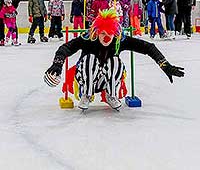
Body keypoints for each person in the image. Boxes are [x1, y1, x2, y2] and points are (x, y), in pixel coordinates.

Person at [44, 9, 184, 111]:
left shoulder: (119, 41)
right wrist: (57, 65)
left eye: (109, 34)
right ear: (97, 32)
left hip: (107, 79)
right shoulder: (89, 39)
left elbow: (148, 47)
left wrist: (164, 65)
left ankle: (111, 94)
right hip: (86, 78)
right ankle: (86, 94)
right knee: (90, 58)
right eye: (103, 33)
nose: (106, 37)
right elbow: (66, 48)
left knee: (115, 61)